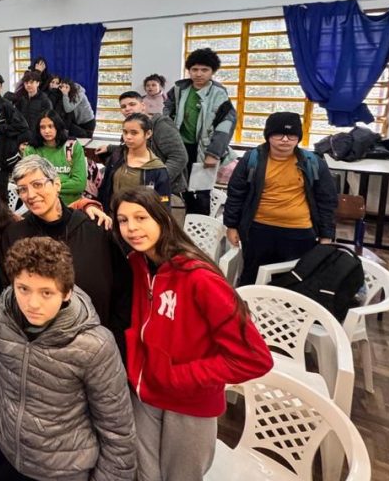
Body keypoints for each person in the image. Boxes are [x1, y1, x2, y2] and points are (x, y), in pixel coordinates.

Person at [116, 187, 273, 481]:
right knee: (143, 475)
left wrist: (179, 377)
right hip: (145, 394)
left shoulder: (199, 277)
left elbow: (255, 359)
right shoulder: (137, 264)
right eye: (123, 220)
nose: (132, 228)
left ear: (163, 220)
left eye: (141, 217)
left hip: (189, 404)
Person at [0, 236, 137, 481]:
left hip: (62, 469)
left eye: (46, 292)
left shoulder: (94, 346)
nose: (33, 303)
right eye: (23, 289)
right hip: (4, 453)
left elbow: (117, 430)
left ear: (67, 292)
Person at [2, 156, 130, 340]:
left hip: (94, 342)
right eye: (22, 189)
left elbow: (123, 291)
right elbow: (7, 292)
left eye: (37, 184)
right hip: (36, 343)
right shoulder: (14, 235)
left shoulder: (95, 229)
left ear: (56, 185)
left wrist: (114, 338)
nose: (30, 195)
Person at [224, 112, 338, 285]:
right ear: (268, 136)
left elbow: (327, 201)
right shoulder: (252, 159)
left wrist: (326, 235)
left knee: (294, 281)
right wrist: (231, 226)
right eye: (279, 134)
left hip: (300, 231)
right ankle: (249, 310)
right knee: (252, 277)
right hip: (258, 229)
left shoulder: (312, 162)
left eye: (291, 135)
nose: (285, 139)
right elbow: (236, 194)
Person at [164, 47, 236, 215]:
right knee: (178, 189)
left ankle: (199, 232)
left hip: (204, 149)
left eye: (205, 70)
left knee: (201, 193)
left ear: (212, 72)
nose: (199, 74)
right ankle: (180, 227)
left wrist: (214, 153)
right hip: (180, 148)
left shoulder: (219, 94)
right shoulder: (179, 89)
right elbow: (168, 108)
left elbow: (226, 125)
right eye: (194, 69)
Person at [117, 91, 188, 196]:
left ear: (143, 106)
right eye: (123, 106)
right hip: (142, 191)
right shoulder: (131, 126)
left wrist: (158, 181)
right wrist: (109, 148)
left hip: (165, 191)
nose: (127, 109)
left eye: (132, 104)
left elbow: (179, 157)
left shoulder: (160, 125)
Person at [98, 114, 172, 211]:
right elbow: (104, 188)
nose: (128, 137)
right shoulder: (117, 156)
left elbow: (164, 202)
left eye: (134, 133)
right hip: (112, 217)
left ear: (148, 134)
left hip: (139, 219)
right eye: (125, 132)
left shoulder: (157, 169)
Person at [21, 110, 87, 205]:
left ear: (58, 126)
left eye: (51, 126)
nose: (47, 131)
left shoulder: (73, 146)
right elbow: (30, 183)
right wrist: (65, 180)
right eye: (42, 127)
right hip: (42, 205)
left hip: (71, 206)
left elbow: (79, 184)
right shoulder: (31, 150)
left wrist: (45, 185)